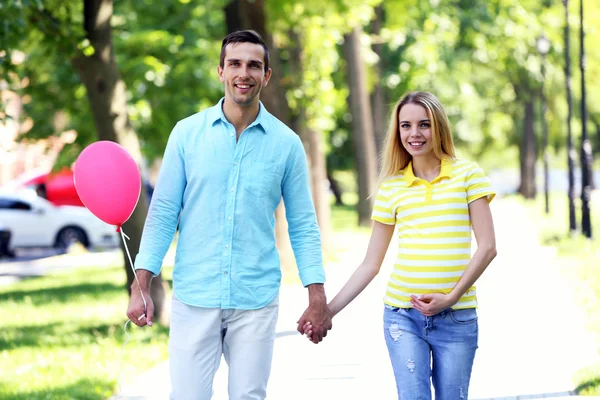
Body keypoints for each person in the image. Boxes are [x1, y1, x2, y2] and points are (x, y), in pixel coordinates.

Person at [126, 30, 332, 400]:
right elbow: (163, 213)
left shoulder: (286, 144)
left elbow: (303, 225)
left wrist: (317, 296)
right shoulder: (186, 134)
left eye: (254, 65)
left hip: (255, 298)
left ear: (266, 76)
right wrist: (141, 283)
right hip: (195, 294)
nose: (244, 73)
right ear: (220, 71)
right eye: (235, 63)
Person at [303, 91, 497, 399]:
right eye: (405, 126)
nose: (414, 133)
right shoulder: (392, 188)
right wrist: (328, 311)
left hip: (457, 315)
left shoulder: (467, 175)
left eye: (424, 124)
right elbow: (370, 264)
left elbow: (487, 247)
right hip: (403, 316)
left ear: (439, 128)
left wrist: (451, 297)